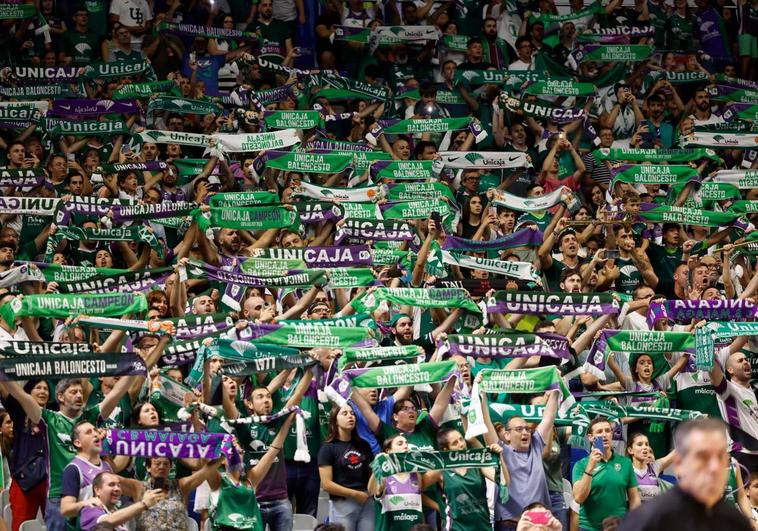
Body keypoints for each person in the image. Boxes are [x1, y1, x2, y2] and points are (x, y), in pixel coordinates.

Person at [619, 418, 753, 530]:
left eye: (720, 456)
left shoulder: (736, 522)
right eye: (703, 456)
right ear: (679, 464)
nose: (713, 467)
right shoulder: (645, 520)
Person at [573, 417, 641, 531]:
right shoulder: (581, 465)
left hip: (619, 527)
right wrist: (590, 467)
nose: (604, 435)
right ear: (590, 437)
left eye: (608, 431)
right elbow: (579, 498)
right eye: (599, 432)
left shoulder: (625, 463)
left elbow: (634, 498)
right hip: (589, 528)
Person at [317, 405, 374, 531]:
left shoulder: (364, 445)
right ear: (335, 420)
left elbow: (371, 476)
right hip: (342, 504)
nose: (350, 416)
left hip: (366, 501)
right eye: (345, 413)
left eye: (352, 413)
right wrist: (354, 494)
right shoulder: (328, 448)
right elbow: (326, 484)